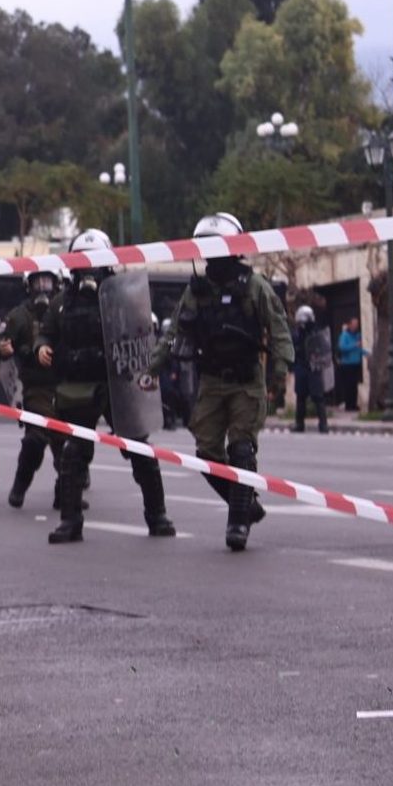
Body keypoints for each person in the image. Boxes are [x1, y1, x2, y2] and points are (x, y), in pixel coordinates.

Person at [149, 213, 293, 552]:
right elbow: (174, 334)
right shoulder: (196, 292)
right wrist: (152, 369)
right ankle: (246, 504)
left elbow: (280, 331)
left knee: (241, 449)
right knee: (206, 454)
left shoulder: (255, 287)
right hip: (211, 382)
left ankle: (238, 522)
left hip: (246, 381)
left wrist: (279, 374)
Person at [34, 231, 174, 543]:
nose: (88, 271)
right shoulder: (61, 304)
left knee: (139, 449)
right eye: (82, 264)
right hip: (78, 386)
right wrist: (41, 347)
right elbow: (45, 333)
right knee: (72, 454)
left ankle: (158, 516)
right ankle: (70, 522)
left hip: (116, 385)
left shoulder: (120, 298)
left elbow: (140, 335)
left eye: (94, 264)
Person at [0, 269, 64, 508]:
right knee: (35, 440)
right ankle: (20, 485)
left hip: (66, 387)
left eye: (48, 282)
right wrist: (4, 348)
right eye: (38, 282)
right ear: (29, 286)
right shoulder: (19, 316)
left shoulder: (65, 310)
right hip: (36, 388)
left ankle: (67, 494)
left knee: (68, 446)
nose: (43, 288)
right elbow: (1, 339)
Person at [290, 305, 330, 434]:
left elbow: (321, 347)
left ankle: (323, 424)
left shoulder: (316, 331)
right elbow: (293, 347)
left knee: (318, 397)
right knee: (301, 397)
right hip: (302, 366)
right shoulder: (297, 333)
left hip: (313, 367)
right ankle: (299, 423)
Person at [335, 316, 364, 412]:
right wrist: (354, 345)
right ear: (350, 324)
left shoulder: (357, 335)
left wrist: (366, 353)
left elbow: (359, 348)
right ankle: (348, 405)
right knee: (348, 385)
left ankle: (354, 404)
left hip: (356, 363)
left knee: (354, 385)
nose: (356, 326)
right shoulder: (344, 335)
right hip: (347, 364)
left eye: (357, 324)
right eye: (354, 324)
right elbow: (342, 348)